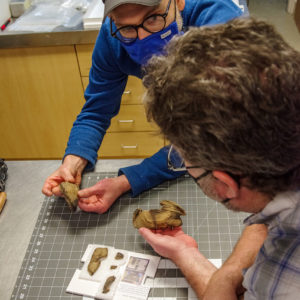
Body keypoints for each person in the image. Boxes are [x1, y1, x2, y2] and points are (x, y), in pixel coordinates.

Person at [137, 17, 300, 299]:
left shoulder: (283, 286)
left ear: (225, 185)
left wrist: (218, 281)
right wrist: (225, 274)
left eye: (183, 160)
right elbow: (265, 218)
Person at [42, 0, 247, 213]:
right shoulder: (113, 36)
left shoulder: (218, 24)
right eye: (128, 28)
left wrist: (132, 178)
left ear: (178, 2)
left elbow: (208, 135)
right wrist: (73, 162)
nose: (143, 37)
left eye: (153, 18)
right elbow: (96, 111)